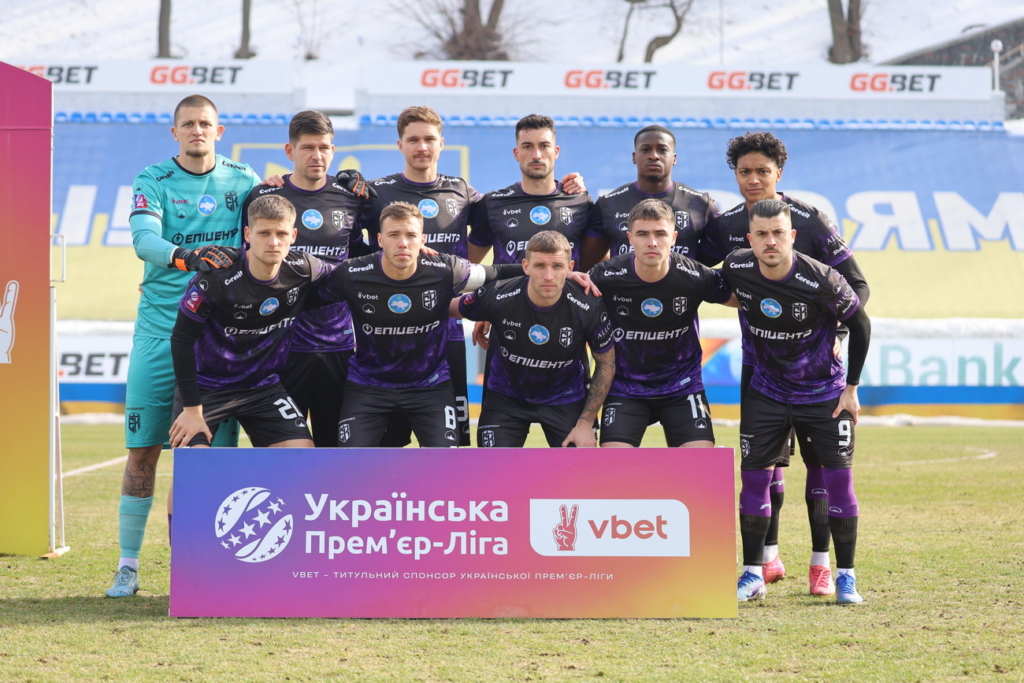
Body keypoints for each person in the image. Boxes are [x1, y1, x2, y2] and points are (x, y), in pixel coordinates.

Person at [701, 131, 871, 595]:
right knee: (763, 466)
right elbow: (701, 274)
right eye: (744, 172)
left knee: (821, 468)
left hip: (817, 370)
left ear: (779, 173)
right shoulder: (726, 226)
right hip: (760, 366)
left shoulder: (810, 222)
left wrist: (836, 334)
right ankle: (765, 562)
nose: (754, 180)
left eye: (763, 171)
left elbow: (857, 288)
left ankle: (821, 564)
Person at [107, 95, 259, 598]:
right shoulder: (153, 179)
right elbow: (143, 241)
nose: (197, 130)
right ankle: (128, 566)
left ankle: (208, 567)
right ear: (174, 132)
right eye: (188, 124)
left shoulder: (243, 178)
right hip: (158, 332)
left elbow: (266, 233)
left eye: (205, 124)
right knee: (142, 453)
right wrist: (186, 257)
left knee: (213, 459)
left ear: (219, 131)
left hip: (216, 337)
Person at [318, 202, 530, 447]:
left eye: (411, 235)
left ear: (422, 240)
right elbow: (310, 296)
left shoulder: (445, 269)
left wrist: (557, 274)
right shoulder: (352, 273)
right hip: (368, 386)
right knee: (351, 461)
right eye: (394, 235)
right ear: (380, 240)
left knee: (445, 463)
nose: (403, 243)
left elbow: (495, 273)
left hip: (430, 387)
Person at [240, 110, 370, 447]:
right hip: (280, 346)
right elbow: (244, 262)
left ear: (333, 150)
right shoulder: (266, 197)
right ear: (290, 151)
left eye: (324, 148)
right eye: (308, 147)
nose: (317, 156)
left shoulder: (351, 197)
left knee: (334, 450)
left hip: (337, 345)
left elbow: (366, 258)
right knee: (282, 450)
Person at [169, 195, 329, 450]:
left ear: (293, 236)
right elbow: (181, 340)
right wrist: (191, 409)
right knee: (194, 463)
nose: (273, 242)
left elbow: (350, 277)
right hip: (205, 388)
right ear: (248, 234)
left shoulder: (303, 268)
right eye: (264, 233)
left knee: (301, 454)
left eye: (281, 234)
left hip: (262, 388)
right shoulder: (214, 278)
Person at [589, 199, 736, 448]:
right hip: (625, 388)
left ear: (674, 237)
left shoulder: (696, 275)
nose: (652, 242)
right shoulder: (605, 276)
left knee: (701, 463)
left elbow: (746, 301)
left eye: (660, 234)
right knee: (613, 465)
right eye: (643, 234)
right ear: (630, 238)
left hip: (682, 387)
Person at [452, 231, 615, 448]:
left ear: (570, 268)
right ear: (526, 266)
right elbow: (445, 307)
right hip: (506, 397)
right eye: (539, 266)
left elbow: (606, 365)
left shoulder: (589, 305)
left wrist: (585, 423)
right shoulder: (497, 296)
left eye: (557, 266)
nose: (548, 276)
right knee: (492, 467)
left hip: (566, 397)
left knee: (581, 466)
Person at [579, 125, 719, 270]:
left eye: (662, 150)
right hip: (624, 284)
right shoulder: (608, 204)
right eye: (645, 149)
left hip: (683, 285)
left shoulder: (700, 204)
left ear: (674, 158)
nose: (654, 156)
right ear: (634, 157)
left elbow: (718, 254)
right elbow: (589, 260)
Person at [468, 114, 592, 267]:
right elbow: (467, 265)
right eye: (527, 147)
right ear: (516, 153)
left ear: (556, 152)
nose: (536, 155)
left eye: (544, 146)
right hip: (508, 284)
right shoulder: (493, 204)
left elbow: (596, 260)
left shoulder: (579, 201)